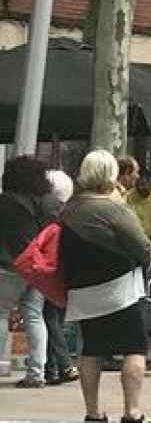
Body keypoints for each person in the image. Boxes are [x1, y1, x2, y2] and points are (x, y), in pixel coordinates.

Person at [62, 150, 151, 423]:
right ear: (110, 175)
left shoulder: (69, 209)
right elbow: (142, 246)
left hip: (82, 292)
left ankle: (92, 413)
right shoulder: (112, 209)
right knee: (134, 348)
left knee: (92, 350)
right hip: (120, 291)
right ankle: (132, 412)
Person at [0, 155, 54, 388]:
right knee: (34, 316)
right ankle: (36, 372)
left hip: (8, 265)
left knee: (1, 315)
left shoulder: (4, 203)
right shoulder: (44, 203)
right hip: (36, 266)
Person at [43, 168, 78, 386]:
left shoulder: (46, 212)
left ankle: (62, 364)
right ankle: (52, 368)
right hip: (66, 269)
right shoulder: (71, 213)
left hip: (49, 268)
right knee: (55, 317)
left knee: (50, 318)